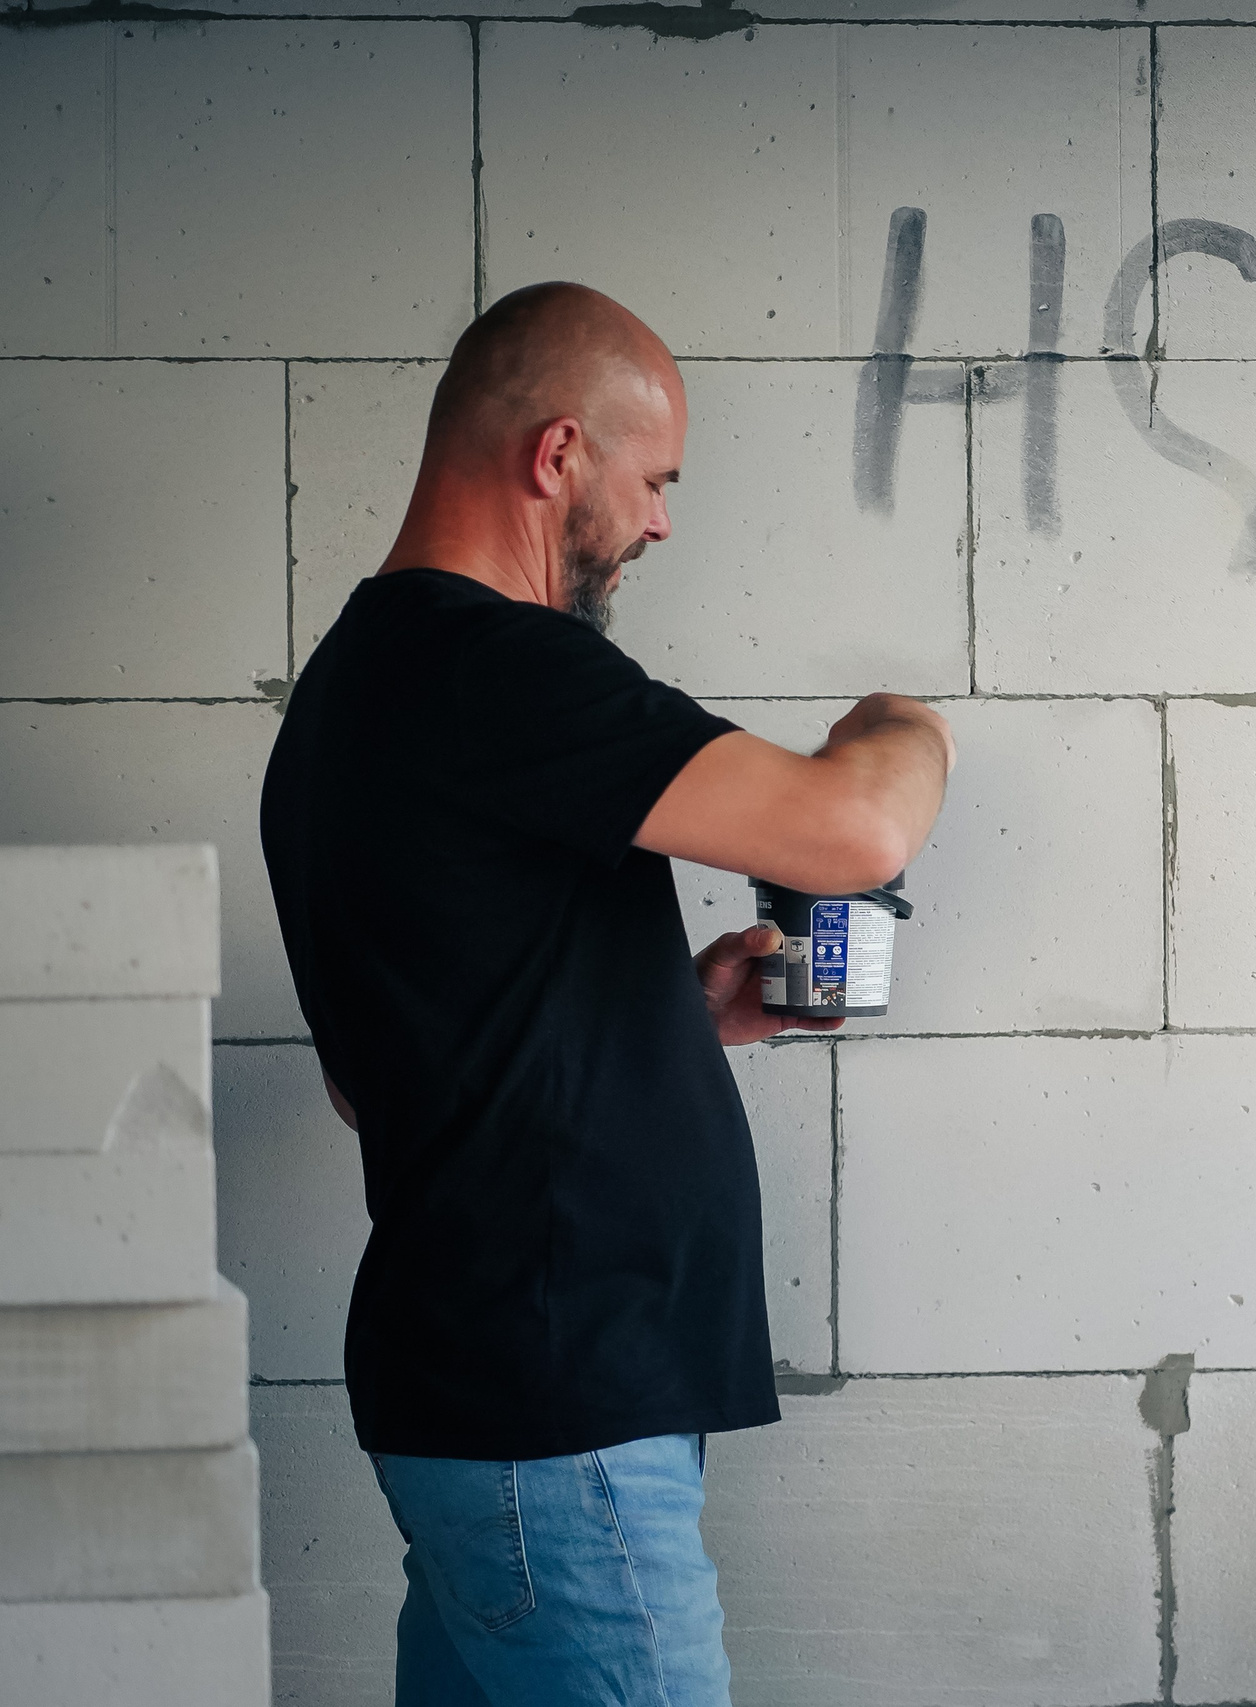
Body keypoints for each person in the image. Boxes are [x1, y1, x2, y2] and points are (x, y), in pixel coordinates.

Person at [260, 281, 956, 1707]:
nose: (659, 522)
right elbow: (855, 830)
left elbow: (385, 1071)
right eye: (656, 481)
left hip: (495, 1409)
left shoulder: (350, 690)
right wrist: (903, 722)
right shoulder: (496, 667)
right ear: (558, 453)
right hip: (557, 1423)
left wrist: (667, 1017)